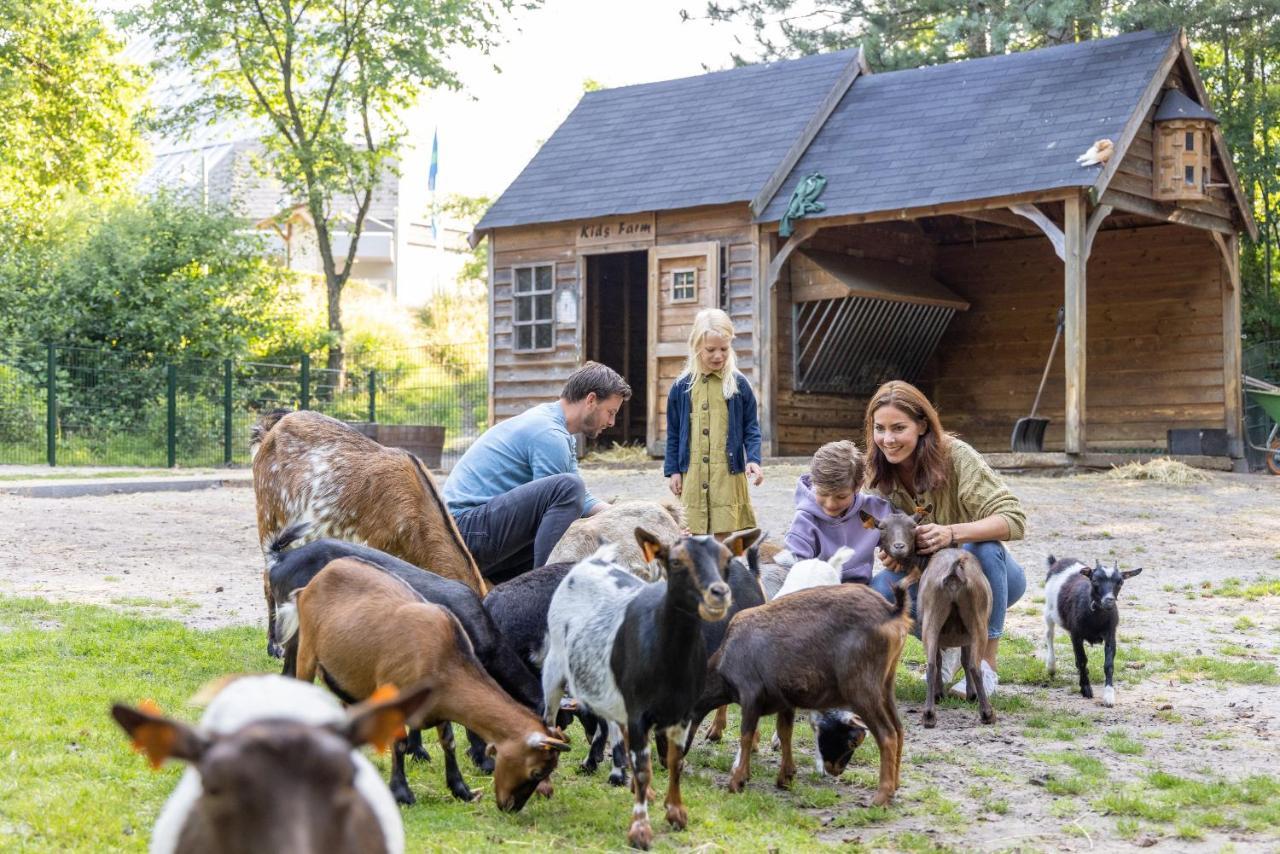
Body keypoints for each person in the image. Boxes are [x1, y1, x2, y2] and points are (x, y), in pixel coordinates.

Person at [865, 380, 1027, 699]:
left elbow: (1013, 519)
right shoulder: (875, 473)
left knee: (979, 548)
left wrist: (951, 533)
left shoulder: (956, 456)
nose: (888, 439)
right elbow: (874, 530)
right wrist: (889, 553)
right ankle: (946, 645)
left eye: (899, 428)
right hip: (929, 582)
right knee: (879, 590)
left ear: (922, 425)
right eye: (879, 428)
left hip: (988, 577)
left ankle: (985, 665)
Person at [443, 361, 630, 583]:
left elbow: (583, 500)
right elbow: (564, 498)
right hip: (464, 532)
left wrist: (626, 516)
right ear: (590, 400)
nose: (611, 422)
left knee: (571, 491)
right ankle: (544, 588)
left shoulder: (555, 427)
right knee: (569, 488)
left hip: (472, 529)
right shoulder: (549, 434)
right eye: (610, 412)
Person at [664, 308, 763, 537]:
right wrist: (673, 471)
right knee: (691, 531)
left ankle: (722, 571)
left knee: (724, 533)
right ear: (697, 346)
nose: (718, 355)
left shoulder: (738, 385)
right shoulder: (681, 388)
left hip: (726, 475)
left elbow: (751, 428)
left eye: (724, 349)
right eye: (710, 350)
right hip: (693, 473)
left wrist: (754, 460)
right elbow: (673, 433)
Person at [782, 440, 892, 584]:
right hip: (819, 592)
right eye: (823, 494)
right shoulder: (805, 521)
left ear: (858, 486)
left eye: (841, 496)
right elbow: (792, 570)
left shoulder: (875, 509)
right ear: (814, 482)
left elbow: (901, 530)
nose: (830, 504)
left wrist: (895, 550)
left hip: (862, 591)